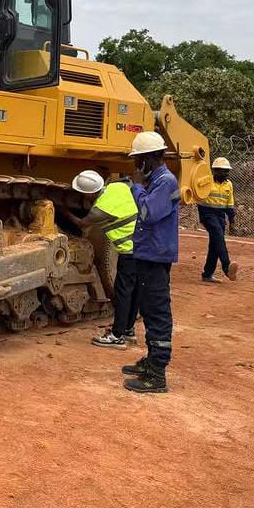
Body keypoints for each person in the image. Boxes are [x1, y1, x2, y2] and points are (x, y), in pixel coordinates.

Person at [120, 131, 180, 394]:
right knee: (149, 307)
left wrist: (135, 186)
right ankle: (151, 361)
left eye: (138, 161)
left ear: (148, 160)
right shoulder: (156, 181)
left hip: (156, 255)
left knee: (157, 311)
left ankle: (157, 373)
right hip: (149, 254)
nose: (135, 166)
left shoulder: (164, 182)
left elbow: (148, 213)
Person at [63, 170, 140, 350]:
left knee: (122, 292)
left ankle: (117, 336)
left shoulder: (100, 209)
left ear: (89, 193)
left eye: (82, 193)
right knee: (134, 290)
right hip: (143, 247)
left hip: (129, 251)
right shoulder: (117, 187)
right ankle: (128, 330)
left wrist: (64, 212)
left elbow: (82, 223)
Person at [198, 157, 241, 283]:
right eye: (223, 171)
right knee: (218, 236)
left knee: (215, 244)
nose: (226, 173)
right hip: (207, 213)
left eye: (227, 171)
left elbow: (229, 205)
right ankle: (227, 267)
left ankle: (207, 274)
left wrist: (232, 222)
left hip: (220, 216)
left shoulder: (229, 184)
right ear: (215, 170)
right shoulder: (206, 181)